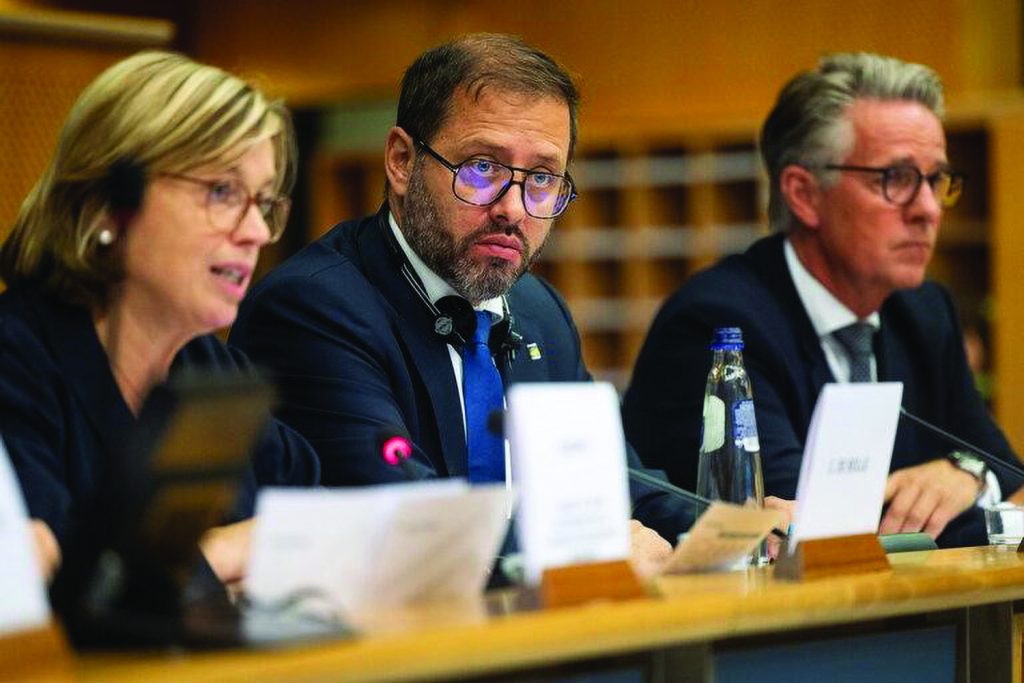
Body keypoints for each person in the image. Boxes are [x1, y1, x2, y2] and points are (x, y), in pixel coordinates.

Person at [230, 33, 715, 571]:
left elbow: (620, 484)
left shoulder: (537, 313)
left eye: (541, 179)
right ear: (401, 161)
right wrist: (585, 553)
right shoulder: (315, 310)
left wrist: (737, 530)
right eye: (483, 168)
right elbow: (406, 523)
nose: (512, 208)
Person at [622, 52, 1021, 548]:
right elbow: (804, 526)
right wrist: (985, 502)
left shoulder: (923, 309)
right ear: (804, 194)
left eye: (936, 180)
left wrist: (970, 476)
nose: (928, 210)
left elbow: (1011, 476)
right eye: (895, 179)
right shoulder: (719, 324)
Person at [0, 51, 320, 611]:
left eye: (264, 202)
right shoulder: (16, 359)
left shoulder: (210, 367)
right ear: (107, 203)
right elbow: (51, 587)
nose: (254, 232)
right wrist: (219, 556)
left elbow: (313, 531)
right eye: (222, 191)